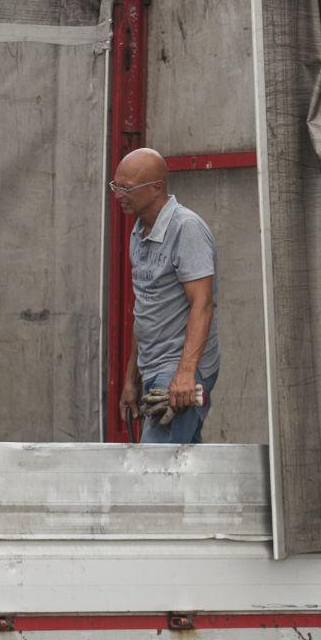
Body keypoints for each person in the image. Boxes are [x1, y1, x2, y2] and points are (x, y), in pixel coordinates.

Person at [110, 147, 219, 443]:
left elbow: (203, 304)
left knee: (157, 469)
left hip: (179, 371)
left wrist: (185, 374)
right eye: (115, 186)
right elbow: (145, 310)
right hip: (154, 368)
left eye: (126, 188)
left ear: (156, 188)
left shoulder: (186, 229)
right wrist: (131, 379)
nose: (118, 195)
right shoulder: (139, 233)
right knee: (179, 467)